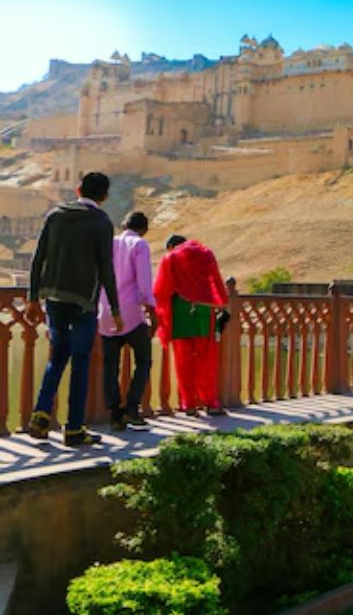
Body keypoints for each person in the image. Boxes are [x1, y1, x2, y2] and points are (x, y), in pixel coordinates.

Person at [25, 172, 122, 446]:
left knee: (58, 355)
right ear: (104, 196)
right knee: (80, 361)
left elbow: (38, 257)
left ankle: (41, 413)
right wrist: (115, 309)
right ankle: (74, 428)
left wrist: (34, 297)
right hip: (83, 303)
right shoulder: (101, 222)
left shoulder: (55, 215)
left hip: (54, 298)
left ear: (78, 189)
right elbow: (105, 268)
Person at [154, 235, 229, 417]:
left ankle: (189, 404)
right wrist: (222, 302)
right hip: (204, 310)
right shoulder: (206, 254)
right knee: (206, 359)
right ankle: (211, 403)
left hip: (180, 311)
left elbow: (160, 290)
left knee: (183, 359)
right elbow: (216, 282)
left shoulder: (170, 258)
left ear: (171, 246)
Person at [99, 211, 158, 431]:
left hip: (106, 312)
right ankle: (132, 409)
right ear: (144, 229)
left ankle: (115, 414)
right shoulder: (139, 245)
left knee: (110, 366)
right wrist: (152, 312)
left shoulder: (109, 243)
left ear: (123, 225)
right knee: (143, 361)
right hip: (131, 313)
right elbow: (144, 284)